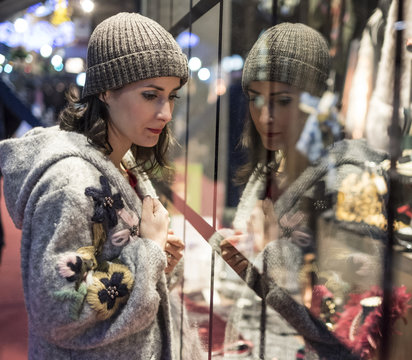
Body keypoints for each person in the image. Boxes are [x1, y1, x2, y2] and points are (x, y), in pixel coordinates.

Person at [0, 13, 203, 360]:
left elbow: (113, 265)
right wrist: (149, 251)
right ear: (106, 91)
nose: (166, 112)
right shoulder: (71, 182)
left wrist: (158, 261)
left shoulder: (124, 162)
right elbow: (62, 313)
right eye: (151, 95)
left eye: (171, 97)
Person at [216, 22, 390, 359]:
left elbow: (347, 318)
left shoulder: (346, 181)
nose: (265, 116)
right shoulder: (271, 168)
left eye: (282, 100)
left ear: (314, 102)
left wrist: (269, 252)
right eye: (255, 98)